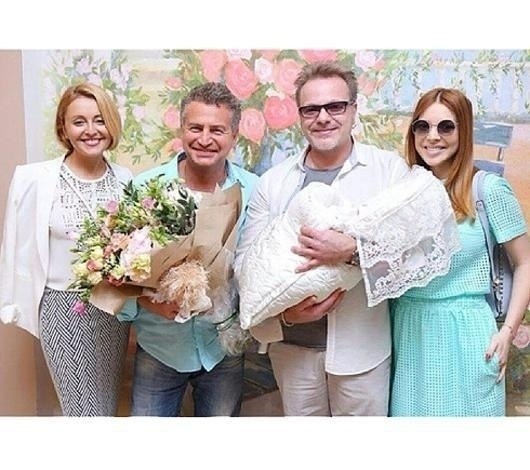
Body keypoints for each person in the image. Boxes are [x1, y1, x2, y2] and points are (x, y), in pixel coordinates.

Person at [234, 61, 411, 416]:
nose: (323, 118)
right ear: (299, 115)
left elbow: (409, 254)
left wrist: (351, 251)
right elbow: (245, 265)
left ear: (354, 110)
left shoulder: (388, 171)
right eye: (311, 109)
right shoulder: (274, 181)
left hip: (363, 350)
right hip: (292, 348)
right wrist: (286, 316)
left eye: (336, 106)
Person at [119, 82, 258, 417]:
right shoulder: (145, 188)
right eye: (196, 128)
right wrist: (148, 302)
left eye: (217, 130)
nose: (204, 139)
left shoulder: (254, 191)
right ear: (181, 130)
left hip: (223, 349)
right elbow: (116, 271)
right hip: (160, 348)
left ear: (234, 136)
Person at [390, 87, 530, 416]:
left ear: (464, 131)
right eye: (422, 126)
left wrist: (507, 332)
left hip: (467, 334)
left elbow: (525, 262)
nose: (432, 136)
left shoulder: (488, 189)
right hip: (409, 330)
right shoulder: (400, 192)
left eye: (446, 127)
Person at [0, 82, 132, 416]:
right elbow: (14, 246)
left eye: (99, 120)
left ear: (111, 124)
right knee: (83, 412)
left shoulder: (125, 179)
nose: (91, 130)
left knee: (105, 408)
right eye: (79, 121)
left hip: (112, 312)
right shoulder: (36, 179)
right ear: (64, 128)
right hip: (62, 308)